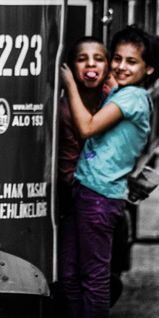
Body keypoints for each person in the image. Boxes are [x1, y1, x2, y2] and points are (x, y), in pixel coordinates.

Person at [54, 25, 159, 318]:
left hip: (100, 199)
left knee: (94, 280)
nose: (120, 66)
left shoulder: (131, 98)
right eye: (117, 58)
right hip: (87, 192)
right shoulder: (125, 93)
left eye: (132, 61)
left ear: (148, 69)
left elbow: (86, 128)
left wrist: (68, 80)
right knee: (69, 276)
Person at [56, 36, 111, 218]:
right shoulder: (65, 113)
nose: (91, 64)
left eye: (98, 59)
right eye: (82, 59)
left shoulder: (110, 99)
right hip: (81, 202)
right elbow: (69, 175)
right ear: (70, 70)